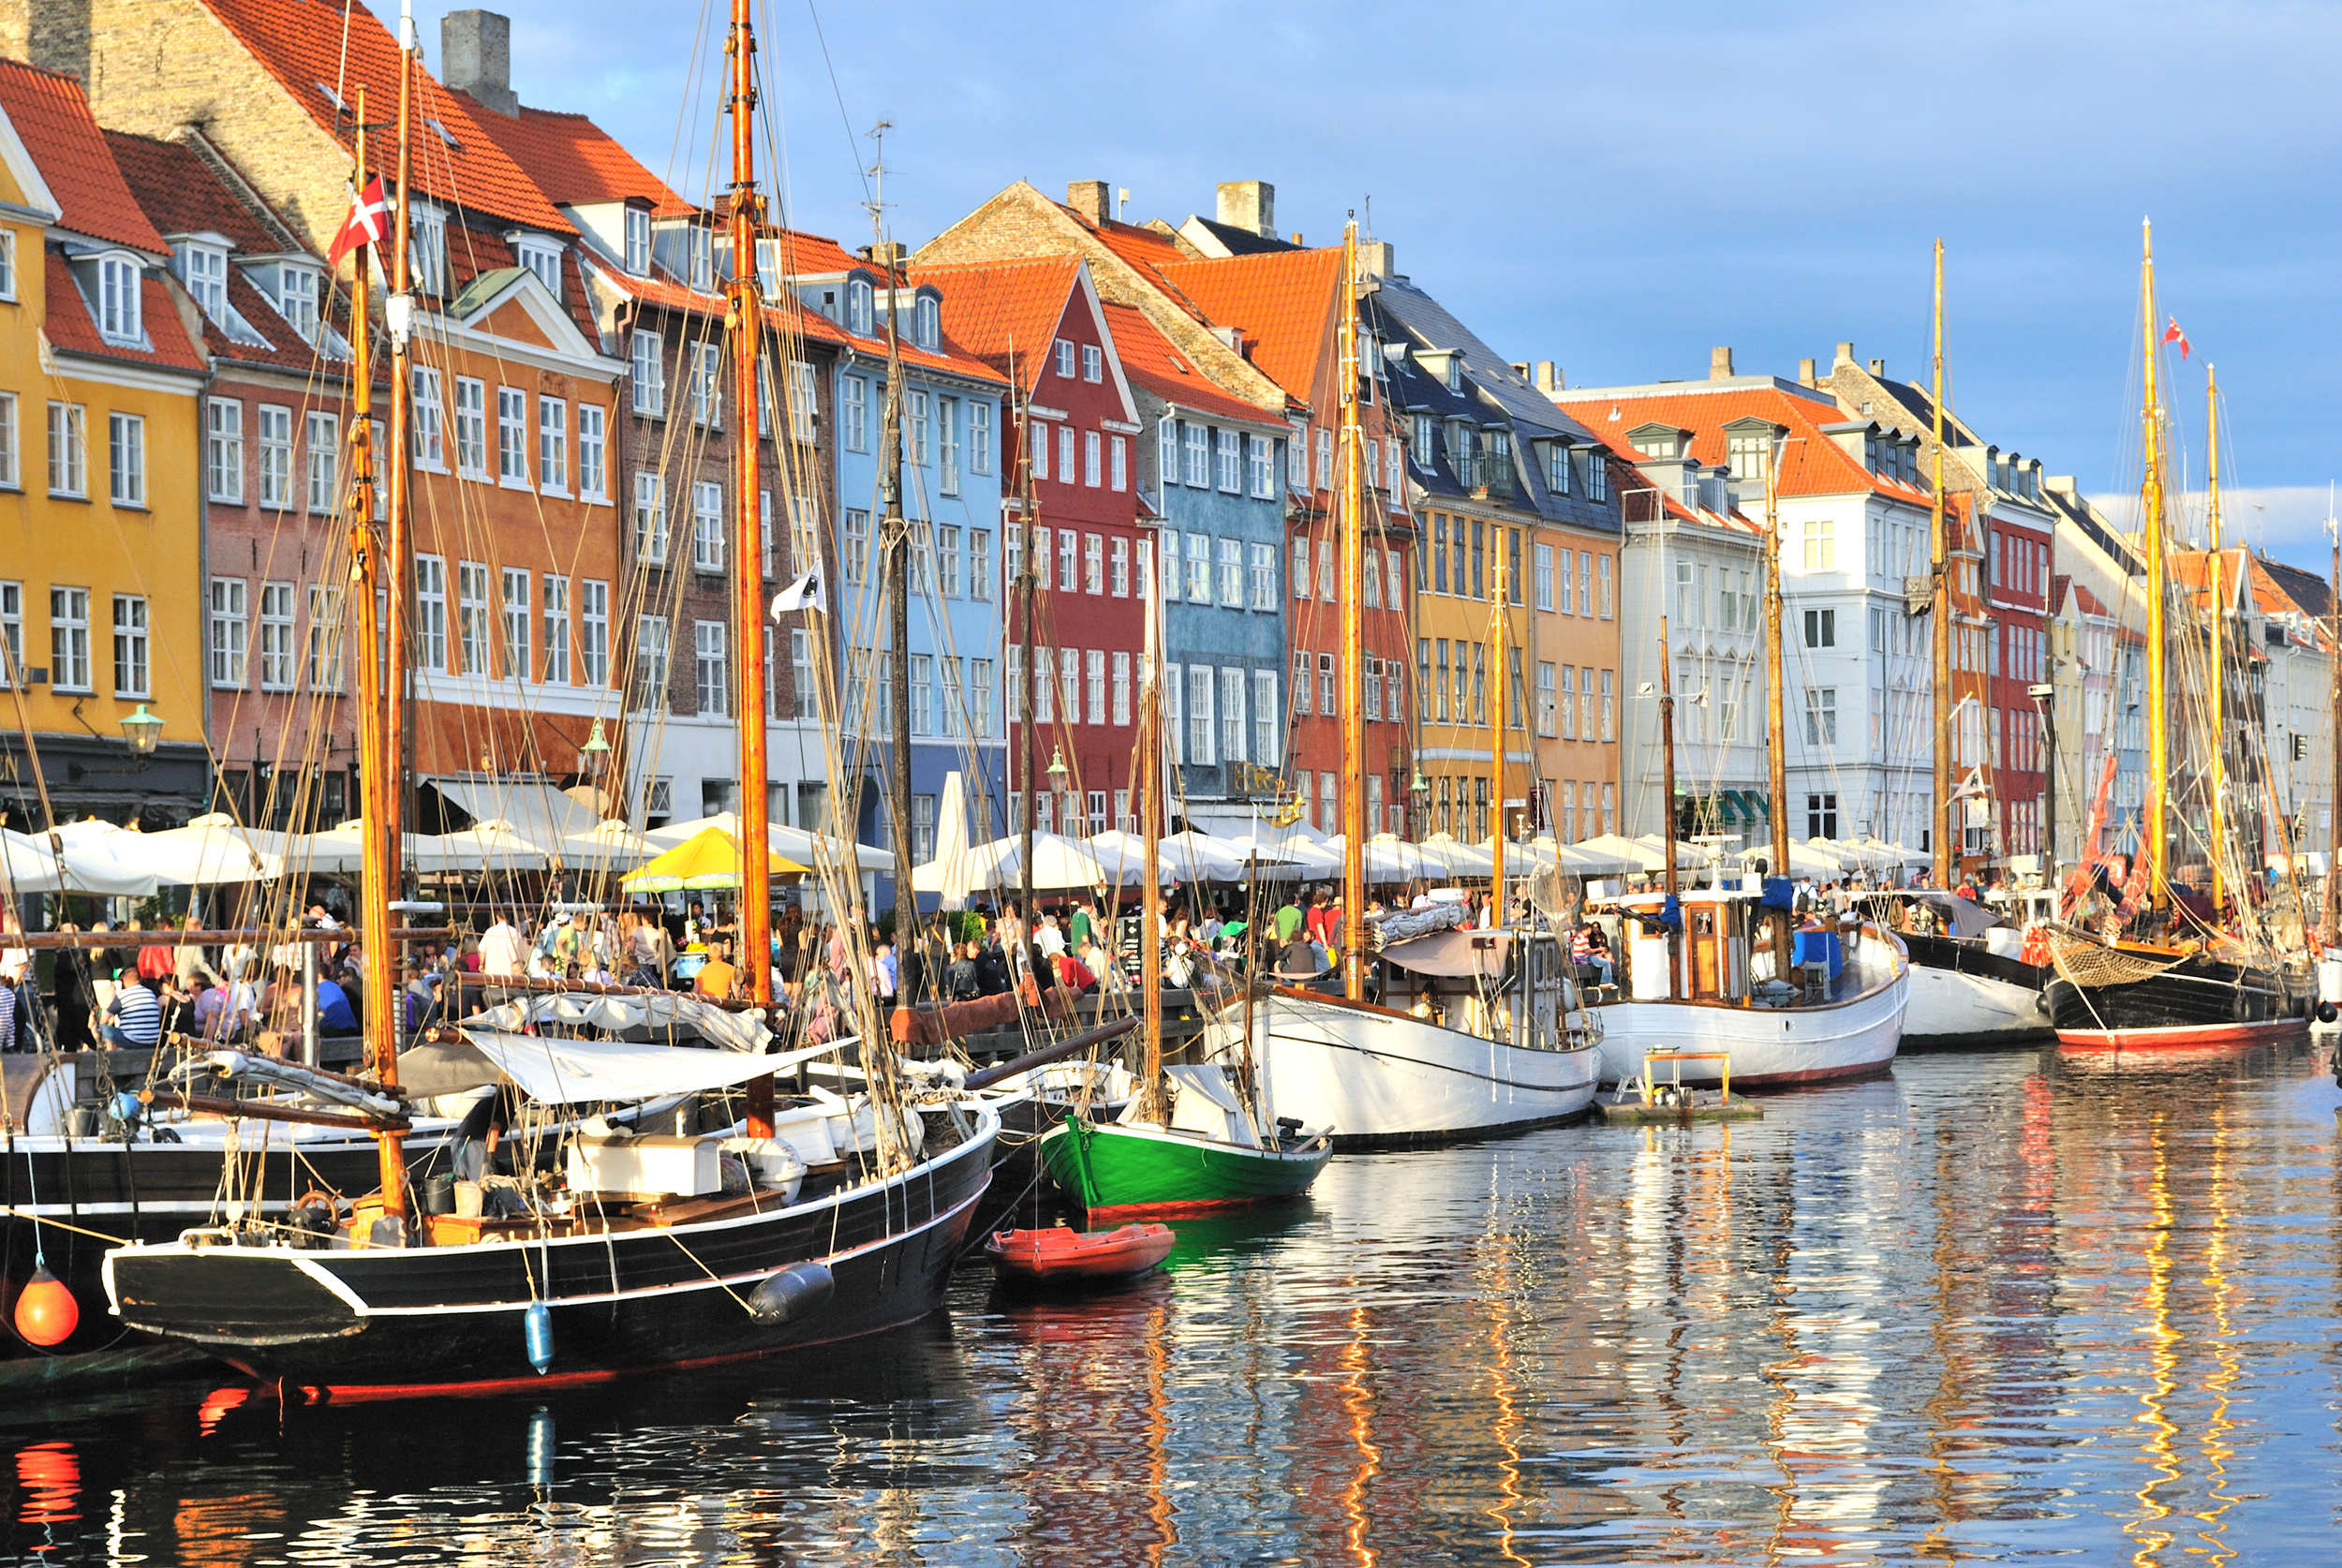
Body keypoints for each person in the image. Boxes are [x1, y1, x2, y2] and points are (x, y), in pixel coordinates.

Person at [453, 1082, 521, 1183]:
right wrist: (489, 1157)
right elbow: (494, 1129)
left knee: (464, 1184)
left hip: (457, 1141)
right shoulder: (505, 1105)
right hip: (473, 1143)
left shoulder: (490, 1100)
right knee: (483, 1183)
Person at [100, 975, 162, 1048]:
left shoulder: (122, 995)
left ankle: (109, 1050)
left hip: (132, 1041)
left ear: (125, 980)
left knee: (101, 1028)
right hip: (153, 1041)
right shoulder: (150, 993)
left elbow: (103, 1020)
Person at [479, 914, 527, 978]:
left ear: (497, 917)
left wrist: (481, 964)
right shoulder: (514, 932)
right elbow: (519, 950)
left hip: (492, 971)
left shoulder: (490, 931)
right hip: (510, 971)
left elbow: (482, 950)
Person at [314, 968, 359, 1033]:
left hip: (333, 1028)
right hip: (351, 1026)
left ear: (319, 975)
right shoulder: (335, 986)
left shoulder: (317, 989)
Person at [694, 937, 738, 1001]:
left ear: (709, 954)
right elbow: (736, 992)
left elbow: (695, 994)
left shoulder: (701, 971)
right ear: (722, 954)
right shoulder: (730, 969)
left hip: (704, 1006)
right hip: (721, 1006)